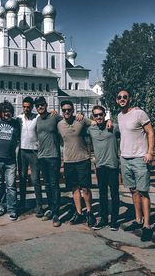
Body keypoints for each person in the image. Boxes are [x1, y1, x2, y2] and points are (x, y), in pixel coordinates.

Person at [116, 89, 155, 242]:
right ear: (116, 100)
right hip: (125, 159)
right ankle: (138, 220)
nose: (122, 99)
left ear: (130, 99)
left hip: (140, 159)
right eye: (119, 97)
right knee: (133, 191)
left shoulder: (139, 113)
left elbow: (150, 132)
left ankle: (147, 226)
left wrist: (150, 152)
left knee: (143, 192)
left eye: (125, 97)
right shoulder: (119, 116)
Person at [57, 100, 97, 228]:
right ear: (61, 111)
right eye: (64, 110)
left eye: (69, 110)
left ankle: (89, 212)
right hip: (69, 161)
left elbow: (95, 123)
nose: (67, 112)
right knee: (74, 189)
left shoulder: (81, 120)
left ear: (73, 110)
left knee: (85, 188)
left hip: (83, 159)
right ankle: (79, 213)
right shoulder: (59, 124)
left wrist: (84, 116)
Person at [87, 105, 120, 231]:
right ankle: (104, 219)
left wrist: (110, 120)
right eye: (96, 115)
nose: (99, 117)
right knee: (102, 195)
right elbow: (80, 123)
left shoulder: (113, 127)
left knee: (114, 194)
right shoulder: (91, 129)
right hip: (100, 166)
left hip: (112, 166)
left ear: (104, 115)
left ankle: (115, 221)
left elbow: (128, 132)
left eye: (101, 114)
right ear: (93, 117)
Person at [35, 96, 63, 227]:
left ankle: (56, 213)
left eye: (42, 105)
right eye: (38, 105)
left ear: (46, 105)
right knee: (47, 184)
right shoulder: (37, 120)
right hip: (41, 157)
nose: (40, 107)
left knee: (54, 184)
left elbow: (67, 121)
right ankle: (51, 209)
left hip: (53, 156)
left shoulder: (54, 117)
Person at [0, 100, 20, 221]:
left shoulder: (16, 124)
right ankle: (1, 206)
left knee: (11, 185)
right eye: (4, 112)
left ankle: (12, 209)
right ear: (1, 113)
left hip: (10, 160)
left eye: (9, 112)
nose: (7, 114)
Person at [17, 96, 43, 217]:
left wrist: (53, 112)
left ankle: (39, 205)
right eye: (24, 107)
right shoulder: (18, 118)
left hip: (34, 152)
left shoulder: (37, 117)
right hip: (22, 151)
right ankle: (22, 203)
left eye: (28, 107)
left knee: (35, 179)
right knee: (22, 178)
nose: (26, 109)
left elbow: (47, 117)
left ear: (32, 107)